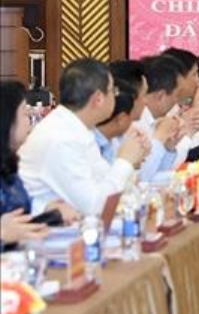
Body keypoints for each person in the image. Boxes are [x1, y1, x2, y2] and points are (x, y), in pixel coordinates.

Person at [19, 58, 150, 216]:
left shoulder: (79, 128)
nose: (116, 97)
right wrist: (125, 160)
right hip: (47, 228)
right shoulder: (60, 137)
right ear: (98, 99)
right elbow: (94, 207)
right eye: (113, 91)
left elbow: (106, 181)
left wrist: (131, 159)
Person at [1, 81, 53, 245]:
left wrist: (49, 213)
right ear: (7, 120)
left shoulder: (9, 166)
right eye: (25, 114)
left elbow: (18, 219)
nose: (30, 121)